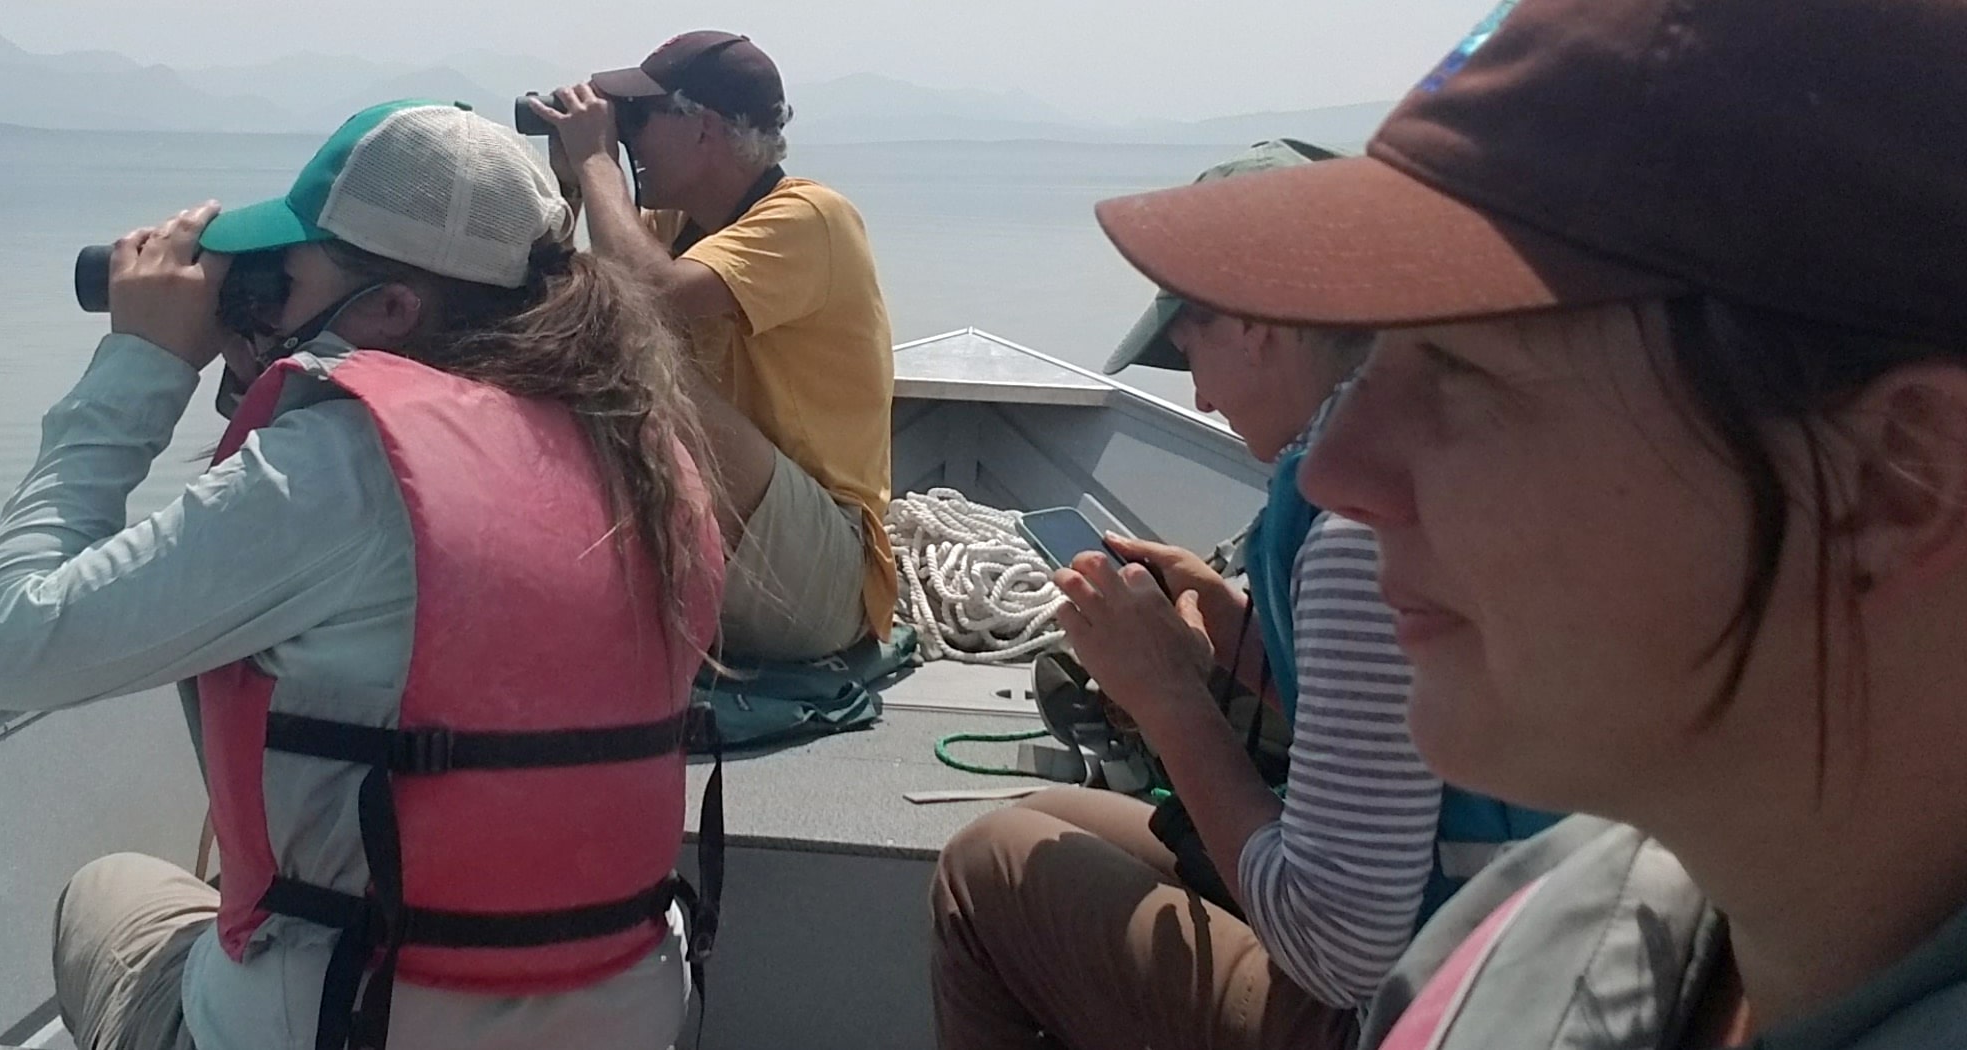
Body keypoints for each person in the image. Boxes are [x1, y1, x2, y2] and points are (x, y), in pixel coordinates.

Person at [1091, 0, 1967, 1046]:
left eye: (1460, 368)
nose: (1332, 474)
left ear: (1897, 481)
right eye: (1382, 356)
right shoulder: (1514, 946)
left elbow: (1337, 938)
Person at [0, 101, 723, 1050]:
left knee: (105, 895)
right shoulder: (644, 452)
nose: (262, 299)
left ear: (393, 309)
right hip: (628, 1015)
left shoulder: (338, 467)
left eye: (288, 275)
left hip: (348, 1026)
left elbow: (0, 642)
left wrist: (141, 364)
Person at [929, 139, 1559, 1050]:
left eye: (1193, 348)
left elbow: (1338, 951)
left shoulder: (1353, 530)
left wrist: (1168, 698)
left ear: (1253, 319)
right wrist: (1236, 638)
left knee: (984, 871)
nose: (1203, 399)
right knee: (1043, 823)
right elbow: (1414, 744)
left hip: (1433, 1011)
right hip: (1525, 956)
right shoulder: (1459, 456)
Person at [532, 31, 897, 662]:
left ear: (702, 128)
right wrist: (568, 190)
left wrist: (597, 163)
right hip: (735, 545)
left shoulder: (813, 218)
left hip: (823, 573)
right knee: (576, 338)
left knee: (636, 349)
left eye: (638, 119)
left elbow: (654, 296)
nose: (628, 139)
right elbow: (571, 303)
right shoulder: (672, 230)